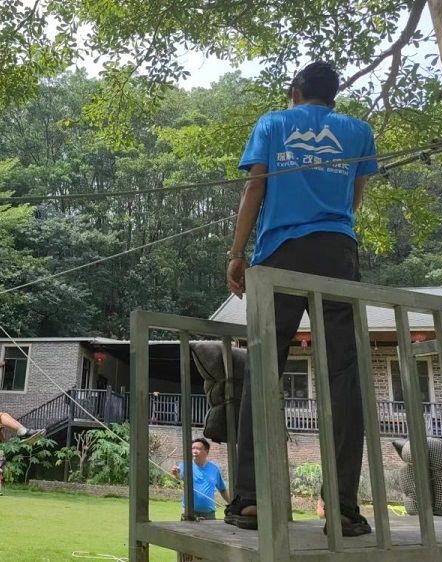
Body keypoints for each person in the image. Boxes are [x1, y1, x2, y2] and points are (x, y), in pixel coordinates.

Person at [224, 61, 377, 536]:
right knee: (343, 374)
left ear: (295, 90)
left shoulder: (273, 123)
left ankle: (250, 499)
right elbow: (354, 197)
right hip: (337, 252)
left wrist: (236, 253)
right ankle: (343, 507)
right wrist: (326, 218)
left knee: (263, 367)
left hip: (280, 252)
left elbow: (255, 186)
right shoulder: (359, 131)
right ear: (334, 95)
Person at [171, 438, 230, 520]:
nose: (195, 451)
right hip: (189, 513)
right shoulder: (185, 465)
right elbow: (179, 477)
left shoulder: (214, 469)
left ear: (206, 451)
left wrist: (231, 503)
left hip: (209, 514)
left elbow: (222, 490)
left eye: (198, 449)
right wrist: (176, 474)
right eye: (193, 448)